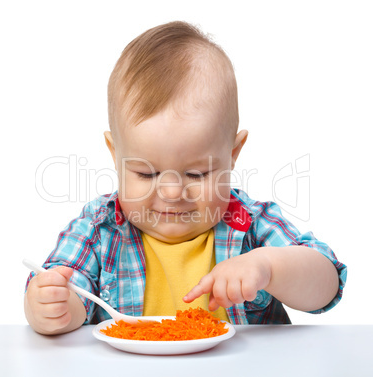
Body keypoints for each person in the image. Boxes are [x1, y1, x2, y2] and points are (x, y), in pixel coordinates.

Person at [24, 21, 347, 335]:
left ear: (232, 154)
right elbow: (64, 285)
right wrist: (57, 308)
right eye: (145, 173)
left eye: (196, 173)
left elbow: (326, 286)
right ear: (114, 154)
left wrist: (269, 266)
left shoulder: (248, 222)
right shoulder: (100, 228)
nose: (171, 191)